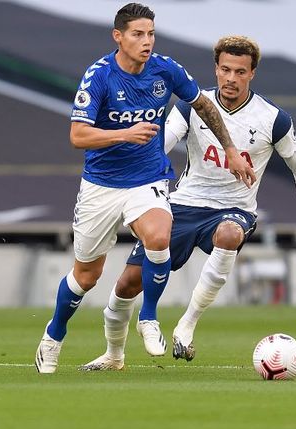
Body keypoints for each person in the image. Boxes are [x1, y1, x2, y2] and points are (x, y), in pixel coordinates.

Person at [80, 35, 296, 371]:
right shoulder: (191, 107)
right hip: (183, 204)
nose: (231, 78)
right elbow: (159, 146)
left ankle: (187, 326)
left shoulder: (273, 119)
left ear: (252, 73)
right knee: (127, 284)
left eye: (240, 72)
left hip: (232, 209)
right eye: (225, 70)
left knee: (228, 234)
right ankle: (113, 355)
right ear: (216, 69)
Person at [35, 5, 255, 374]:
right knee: (86, 277)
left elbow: (203, 104)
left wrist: (231, 149)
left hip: (147, 179)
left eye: (151, 33)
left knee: (158, 236)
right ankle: (53, 335)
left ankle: (148, 318)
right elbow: (77, 135)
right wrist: (125, 133)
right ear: (118, 37)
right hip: (101, 186)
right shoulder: (99, 76)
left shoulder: (165, 70)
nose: (147, 41)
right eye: (138, 34)